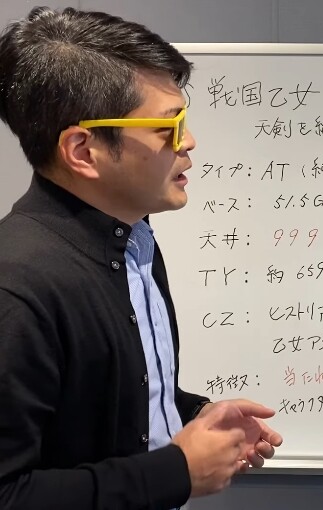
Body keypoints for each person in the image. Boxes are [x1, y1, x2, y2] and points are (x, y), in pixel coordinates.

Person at [0, 6, 283, 509]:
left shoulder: (134, 244)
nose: (189, 142)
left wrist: (192, 415)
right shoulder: (17, 288)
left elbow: (109, 404)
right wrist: (176, 472)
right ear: (82, 150)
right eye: (167, 128)